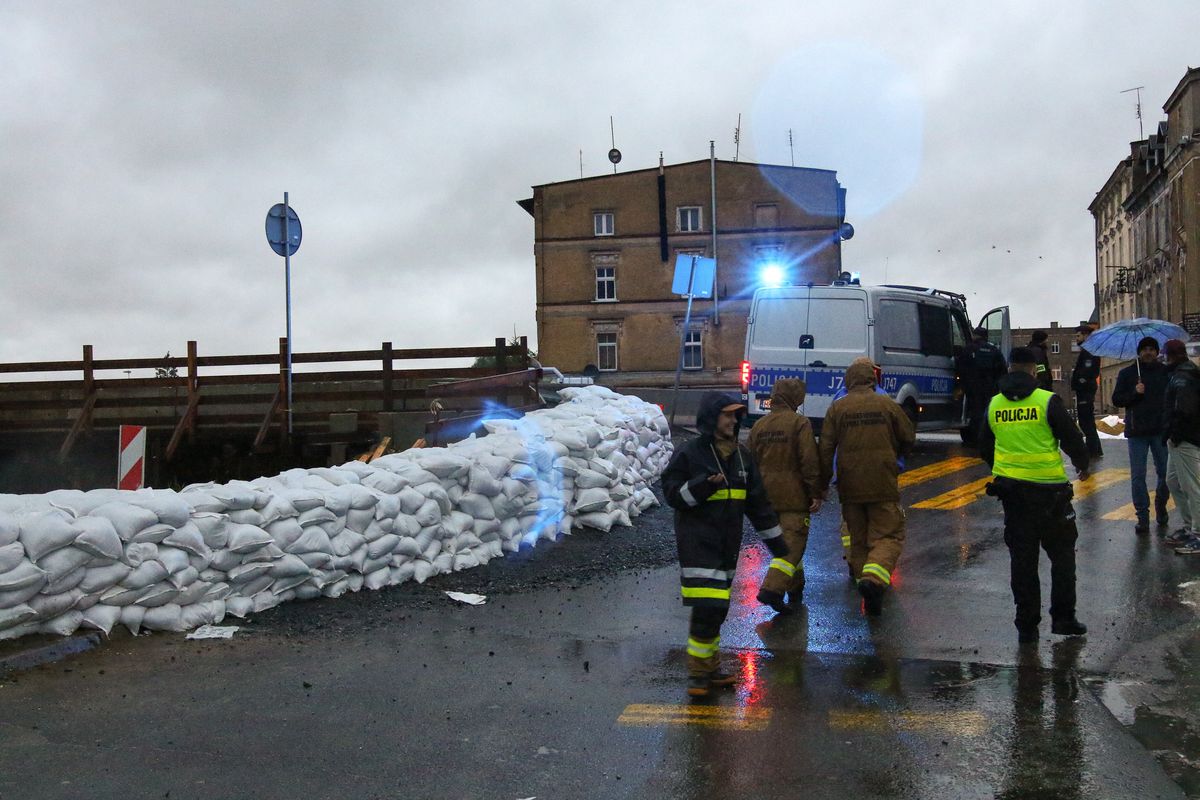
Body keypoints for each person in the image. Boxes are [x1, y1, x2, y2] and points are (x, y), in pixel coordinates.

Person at [661, 392, 786, 697]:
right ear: (711, 418)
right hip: (698, 544)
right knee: (708, 607)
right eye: (727, 415)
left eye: (735, 415)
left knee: (717, 609)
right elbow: (672, 495)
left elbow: (758, 505)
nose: (733, 420)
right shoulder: (691, 453)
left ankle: (710, 668)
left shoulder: (742, 458)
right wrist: (702, 485)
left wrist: (777, 543)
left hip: (727, 547)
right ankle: (698, 675)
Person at [978, 347, 1090, 644]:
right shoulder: (1046, 401)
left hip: (1014, 495)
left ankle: (1026, 625)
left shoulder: (994, 405)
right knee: (1063, 557)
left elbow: (983, 444)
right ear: (1033, 370)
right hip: (1051, 494)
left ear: (1009, 368)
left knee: (1023, 562)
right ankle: (1063, 618)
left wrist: (1001, 468)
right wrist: (1082, 465)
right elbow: (1072, 437)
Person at [818, 359, 915, 616]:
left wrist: (821, 486)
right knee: (889, 535)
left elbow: (825, 449)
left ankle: (866, 584)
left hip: (849, 485)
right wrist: (897, 461)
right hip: (882, 480)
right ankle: (873, 582)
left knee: (858, 539)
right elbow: (908, 435)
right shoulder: (886, 404)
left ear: (848, 379)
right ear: (873, 378)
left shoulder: (837, 407)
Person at [747, 378, 822, 613]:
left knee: (788, 542)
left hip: (766, 499)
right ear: (795, 398)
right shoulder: (800, 423)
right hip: (793, 498)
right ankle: (772, 590)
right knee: (791, 545)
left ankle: (796, 589)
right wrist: (815, 492)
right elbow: (808, 461)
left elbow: (749, 462)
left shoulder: (759, 425)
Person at [1111, 336, 1171, 534]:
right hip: (1137, 432)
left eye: (1151, 349)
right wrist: (1135, 393)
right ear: (1139, 352)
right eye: (1144, 349)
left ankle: (1161, 505)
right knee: (1138, 476)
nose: (1148, 352)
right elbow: (1117, 399)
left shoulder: (1165, 372)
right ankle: (1142, 515)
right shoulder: (1128, 373)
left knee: (1165, 474)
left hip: (1160, 431)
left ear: (1156, 352)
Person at [1160, 340, 1200, 554]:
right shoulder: (1181, 373)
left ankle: (1198, 533)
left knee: (1192, 486)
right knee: (1173, 481)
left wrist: (1174, 431)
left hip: (1184, 438)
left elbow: (1184, 410)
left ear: (1170, 356)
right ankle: (1189, 525)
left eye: (1164, 355)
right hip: (1179, 437)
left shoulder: (1183, 377)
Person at [957, 326, 1008, 446]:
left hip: (973, 387)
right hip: (990, 388)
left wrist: (962, 384)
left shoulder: (968, 349)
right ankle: (987, 437)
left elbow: (960, 367)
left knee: (975, 413)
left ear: (975, 336)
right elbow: (1002, 370)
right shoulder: (993, 350)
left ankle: (975, 438)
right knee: (988, 412)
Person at [1070, 325, 1104, 460]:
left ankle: (1092, 451)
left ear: (1085, 335)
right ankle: (1096, 449)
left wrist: (1080, 381)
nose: (1076, 338)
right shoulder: (1087, 350)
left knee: (1086, 422)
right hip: (1085, 390)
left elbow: (1089, 371)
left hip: (1085, 391)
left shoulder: (1089, 351)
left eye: (1078, 336)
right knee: (1087, 422)